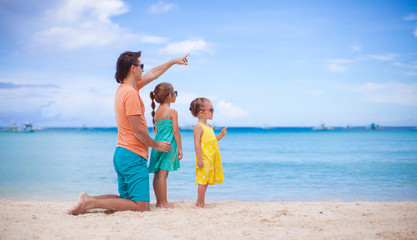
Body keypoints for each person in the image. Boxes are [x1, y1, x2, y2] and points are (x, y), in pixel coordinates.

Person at [68, 51, 189, 215]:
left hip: (122, 154)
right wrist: (157, 145)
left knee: (126, 201)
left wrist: (173, 62)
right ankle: (90, 202)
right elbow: (138, 130)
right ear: (133, 68)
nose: (144, 70)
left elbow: (153, 74)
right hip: (132, 155)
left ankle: (88, 199)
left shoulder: (125, 89)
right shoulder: (131, 94)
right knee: (141, 206)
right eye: (141, 66)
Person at [148, 82, 183, 208]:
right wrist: (180, 148)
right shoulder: (172, 111)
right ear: (169, 96)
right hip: (168, 146)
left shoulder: (157, 111)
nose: (175, 96)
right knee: (163, 175)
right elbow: (175, 131)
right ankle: (164, 202)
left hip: (157, 145)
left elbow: (158, 130)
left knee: (157, 175)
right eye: (175, 93)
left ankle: (159, 201)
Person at [189, 97, 227, 208]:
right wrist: (199, 159)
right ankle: (201, 203)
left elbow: (212, 141)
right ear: (201, 112)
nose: (213, 112)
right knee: (203, 180)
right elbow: (196, 144)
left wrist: (221, 135)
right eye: (211, 109)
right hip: (204, 157)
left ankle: (199, 201)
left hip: (210, 157)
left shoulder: (208, 126)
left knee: (205, 181)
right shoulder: (198, 127)